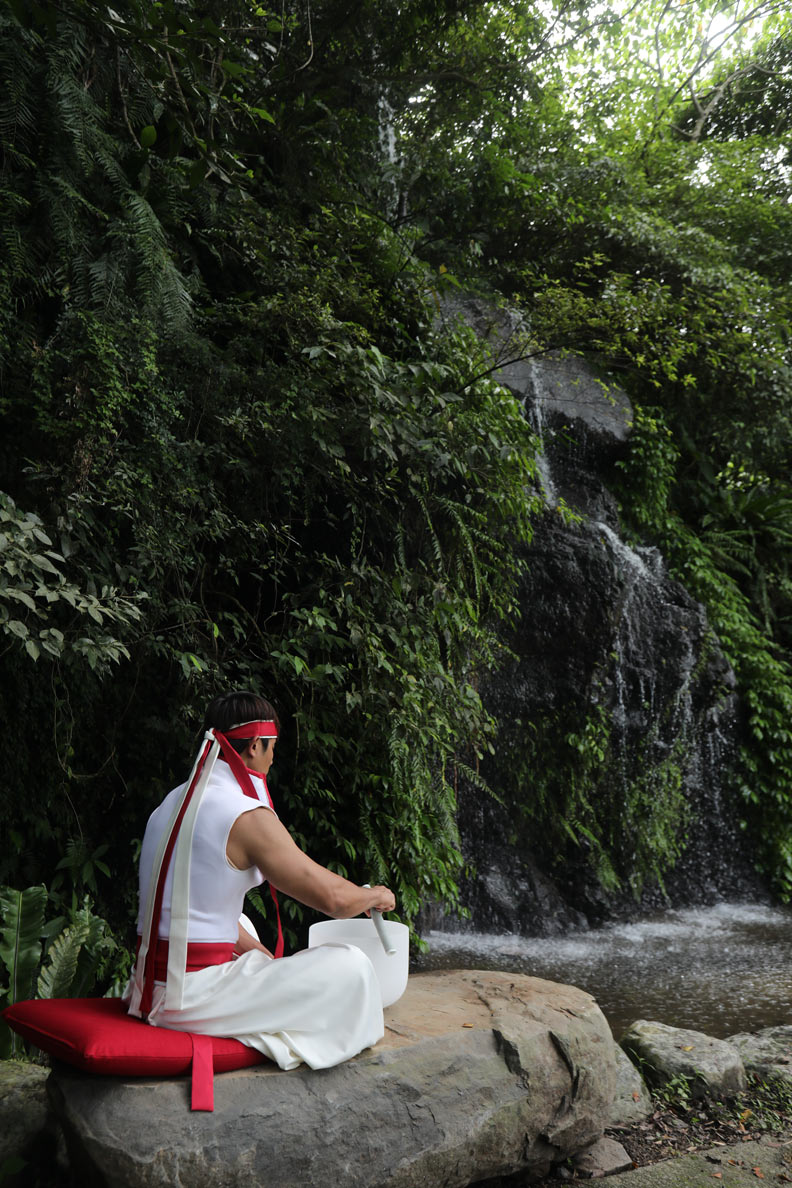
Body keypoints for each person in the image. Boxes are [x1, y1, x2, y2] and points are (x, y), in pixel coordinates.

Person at [125, 689, 396, 1072]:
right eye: (272, 747)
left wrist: (261, 955)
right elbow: (334, 900)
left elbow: (196, 910)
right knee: (352, 966)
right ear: (255, 745)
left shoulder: (171, 802)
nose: (273, 758)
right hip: (190, 999)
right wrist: (374, 895)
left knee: (243, 923)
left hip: (145, 989)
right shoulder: (245, 815)